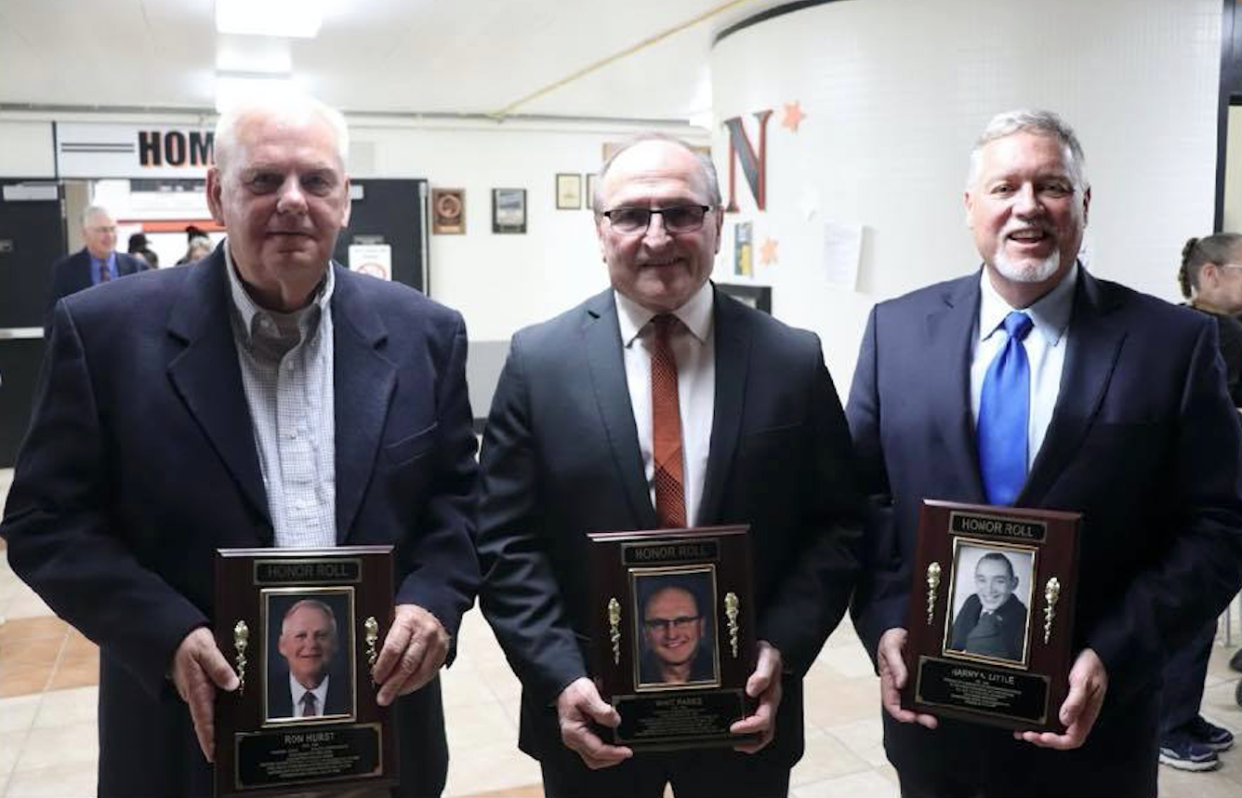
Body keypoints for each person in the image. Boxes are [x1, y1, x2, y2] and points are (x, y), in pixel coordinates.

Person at [0, 93, 479, 798]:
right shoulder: (105, 335)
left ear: (344, 200)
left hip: (380, 735)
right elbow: (46, 524)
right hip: (189, 741)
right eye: (263, 180)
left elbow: (459, 502)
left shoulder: (425, 334)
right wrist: (164, 634)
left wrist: (435, 599)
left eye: (316, 181)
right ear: (217, 193)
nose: (292, 201)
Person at [846, 109, 1242, 797]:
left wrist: (1115, 654)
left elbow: (1220, 525)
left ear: (1084, 204)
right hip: (936, 721)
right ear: (970, 206)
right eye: (1004, 188)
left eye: (1052, 186)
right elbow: (860, 502)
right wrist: (884, 623)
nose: (1027, 206)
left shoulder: (1170, 345)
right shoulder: (896, 331)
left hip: (1095, 722)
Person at [477, 133, 863, 798]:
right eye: (630, 214)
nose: (657, 237)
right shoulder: (538, 363)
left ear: (717, 223)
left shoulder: (791, 361)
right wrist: (560, 676)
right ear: (599, 232)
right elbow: (505, 541)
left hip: (746, 710)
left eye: (682, 212)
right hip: (591, 714)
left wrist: (781, 651)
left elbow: (837, 527)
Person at [1154, 234, 1242, 770]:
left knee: (1200, 611)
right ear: (1209, 274)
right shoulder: (1211, 332)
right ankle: (1167, 723)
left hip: (1209, 494)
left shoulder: (1191, 326)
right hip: (1201, 498)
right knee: (1194, 608)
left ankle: (1181, 715)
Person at [45, 204, 149, 328]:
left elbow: (150, 311)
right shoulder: (65, 271)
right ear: (85, 234)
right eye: (103, 230)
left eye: (112, 229)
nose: (109, 236)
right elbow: (54, 319)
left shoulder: (136, 267)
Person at [269, 599, 350, 719]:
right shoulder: (265, 695)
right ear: (282, 645)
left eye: (321, 635)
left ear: (335, 643)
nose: (311, 644)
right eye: (301, 636)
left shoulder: (353, 693)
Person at [947, 552, 1027, 661]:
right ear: (975, 580)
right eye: (982, 580)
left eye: (999, 581)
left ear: (1014, 583)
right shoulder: (973, 602)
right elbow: (953, 645)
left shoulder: (1023, 619)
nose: (989, 589)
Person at [638, 583, 714, 685]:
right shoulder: (630, 680)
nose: (671, 635)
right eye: (659, 624)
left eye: (682, 621)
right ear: (645, 632)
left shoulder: (723, 672)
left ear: (701, 626)